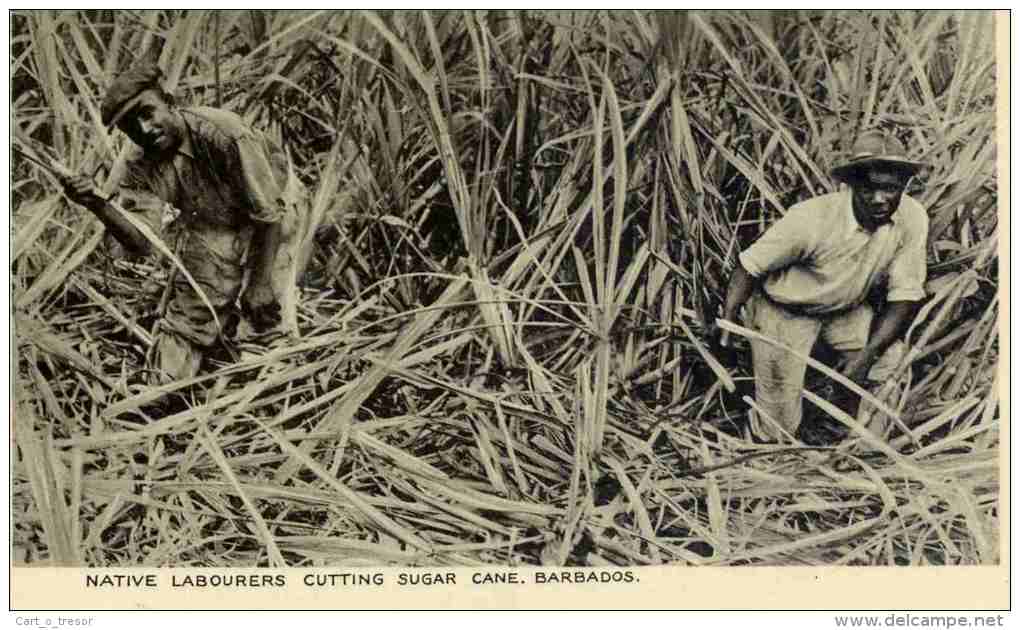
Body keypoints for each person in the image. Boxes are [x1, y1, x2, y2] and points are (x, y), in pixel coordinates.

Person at [63, 63, 306, 383]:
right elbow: (140, 242)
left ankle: (269, 382)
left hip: (274, 212)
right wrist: (97, 204)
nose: (145, 130)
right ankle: (163, 393)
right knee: (189, 322)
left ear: (170, 101)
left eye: (147, 113)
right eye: (131, 127)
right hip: (211, 223)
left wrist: (259, 284)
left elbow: (268, 214)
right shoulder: (137, 162)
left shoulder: (224, 133)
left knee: (263, 316)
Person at [715, 130, 928, 443]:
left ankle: (854, 444)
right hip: (784, 310)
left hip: (846, 308)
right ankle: (767, 459)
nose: (880, 198)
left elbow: (904, 295)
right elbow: (749, 266)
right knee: (777, 425)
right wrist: (729, 320)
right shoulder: (811, 220)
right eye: (869, 189)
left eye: (891, 188)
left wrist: (866, 354)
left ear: (903, 186)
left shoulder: (912, 218)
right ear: (852, 184)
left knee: (888, 363)